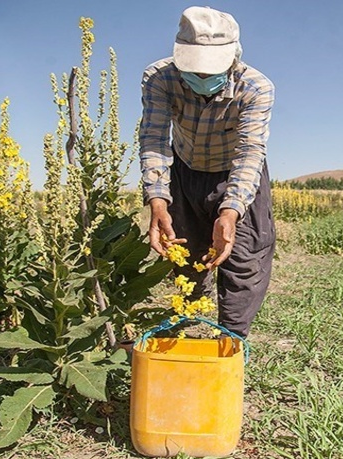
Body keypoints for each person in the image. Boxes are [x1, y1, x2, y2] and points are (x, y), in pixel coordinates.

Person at [139, 6, 276, 339]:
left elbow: (249, 154)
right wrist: (158, 201)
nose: (201, 79)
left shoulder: (255, 88)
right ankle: (188, 323)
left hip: (237, 175)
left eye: (209, 71)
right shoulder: (159, 79)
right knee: (186, 253)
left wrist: (230, 213)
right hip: (185, 171)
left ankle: (232, 338)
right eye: (193, 70)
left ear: (233, 58)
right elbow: (155, 140)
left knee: (243, 259)